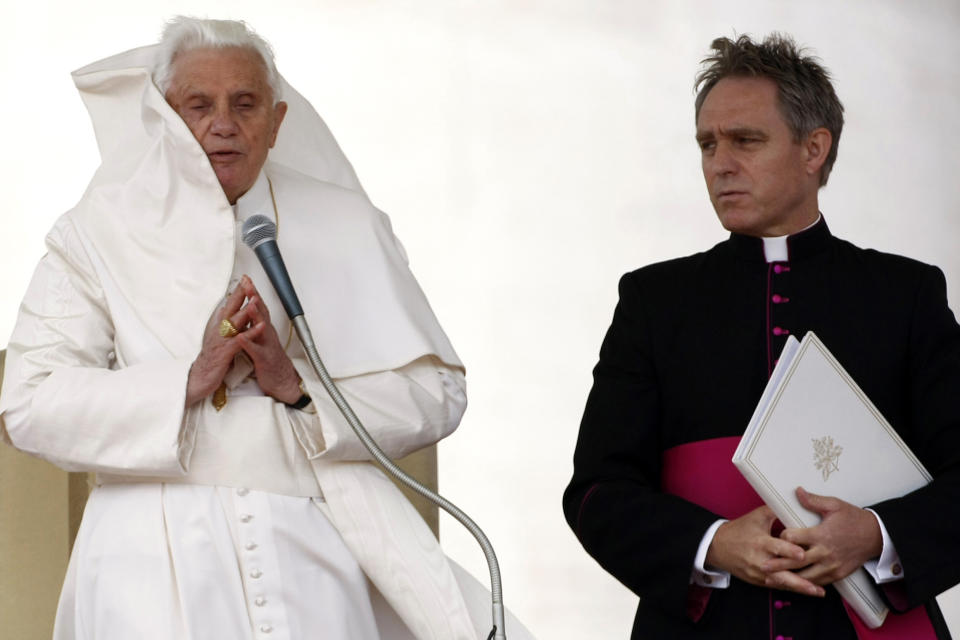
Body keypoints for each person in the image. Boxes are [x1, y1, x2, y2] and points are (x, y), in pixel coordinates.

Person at [0, 16, 484, 640]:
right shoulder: (97, 228)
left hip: (315, 547)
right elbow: (26, 405)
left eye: (245, 103)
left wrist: (299, 387)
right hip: (146, 554)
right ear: (165, 118)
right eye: (198, 104)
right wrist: (189, 380)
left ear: (276, 122)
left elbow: (438, 392)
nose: (222, 123)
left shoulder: (346, 221)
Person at [563, 34, 960, 639]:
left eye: (746, 140)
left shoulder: (904, 295)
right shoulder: (655, 302)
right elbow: (596, 492)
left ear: (813, 149)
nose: (720, 163)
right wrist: (714, 543)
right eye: (707, 144)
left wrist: (876, 535)